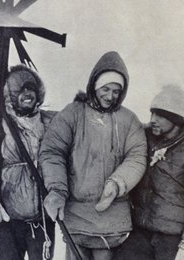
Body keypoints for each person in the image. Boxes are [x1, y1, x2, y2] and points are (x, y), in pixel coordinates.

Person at [39, 51, 147, 260]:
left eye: (117, 91)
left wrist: (116, 184)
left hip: (112, 215)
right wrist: (57, 190)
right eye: (105, 89)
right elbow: (53, 151)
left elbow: (137, 156)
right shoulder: (73, 113)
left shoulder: (128, 120)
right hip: (76, 213)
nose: (110, 96)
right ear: (94, 85)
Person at [114, 85, 184, 260]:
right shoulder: (145, 137)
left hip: (172, 239)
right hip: (141, 233)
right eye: (152, 113)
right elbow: (117, 126)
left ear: (176, 119)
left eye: (161, 115)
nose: (153, 119)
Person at [0, 64, 56, 260]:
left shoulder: (52, 122)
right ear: (10, 95)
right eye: (20, 90)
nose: (27, 94)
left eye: (31, 88)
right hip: (8, 219)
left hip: (43, 221)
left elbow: (80, 124)